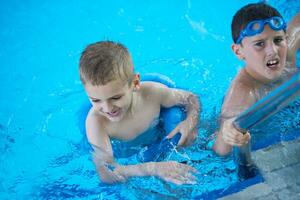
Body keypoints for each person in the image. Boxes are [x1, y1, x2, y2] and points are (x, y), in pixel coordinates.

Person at [79, 41, 200, 185]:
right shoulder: (97, 123)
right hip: (132, 159)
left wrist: (190, 122)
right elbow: (108, 172)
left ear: (135, 83)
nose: (107, 108)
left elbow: (191, 98)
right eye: (96, 100)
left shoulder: (153, 94)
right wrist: (154, 168)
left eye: (116, 97)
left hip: (160, 140)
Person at [213, 3, 300, 156]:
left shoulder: (288, 57)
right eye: (259, 44)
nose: (273, 51)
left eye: (278, 40)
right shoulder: (245, 92)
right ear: (238, 51)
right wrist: (229, 130)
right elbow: (221, 149)